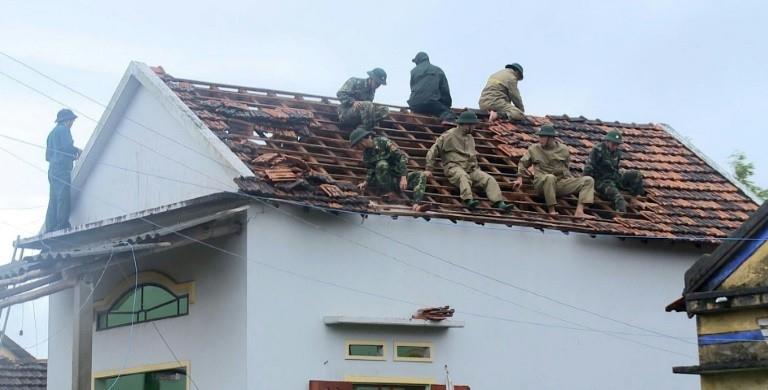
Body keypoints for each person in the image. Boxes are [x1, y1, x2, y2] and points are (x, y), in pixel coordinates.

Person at [426, 111, 513, 212]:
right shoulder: (448, 136)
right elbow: (433, 150)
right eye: (473, 125)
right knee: (463, 177)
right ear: (466, 125)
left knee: (489, 179)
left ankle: (498, 202)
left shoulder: (470, 138)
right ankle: (468, 200)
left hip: (470, 169)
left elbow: (472, 156)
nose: (474, 127)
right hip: (454, 168)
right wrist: (429, 169)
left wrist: (476, 169)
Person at [513, 125, 595, 218]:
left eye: (543, 137)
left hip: (559, 183)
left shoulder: (563, 150)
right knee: (550, 177)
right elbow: (523, 163)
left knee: (588, 180)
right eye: (540, 136)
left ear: (551, 138)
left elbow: (566, 168)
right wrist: (519, 178)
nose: (540, 139)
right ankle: (552, 211)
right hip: (542, 183)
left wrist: (569, 181)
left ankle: (579, 212)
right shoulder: (534, 149)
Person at [349, 128, 431, 212]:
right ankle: (391, 192)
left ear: (368, 137)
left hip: (398, 177)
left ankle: (416, 205)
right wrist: (365, 182)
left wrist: (403, 177)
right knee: (382, 164)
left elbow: (401, 157)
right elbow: (371, 170)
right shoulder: (366, 154)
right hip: (385, 182)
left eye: (360, 143)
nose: (359, 147)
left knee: (421, 175)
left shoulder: (384, 142)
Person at [583, 130, 647, 213]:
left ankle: (634, 200)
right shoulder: (597, 150)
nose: (615, 146)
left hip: (614, 177)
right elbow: (589, 167)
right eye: (613, 144)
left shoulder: (617, 153)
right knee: (619, 198)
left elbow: (616, 168)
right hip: (601, 181)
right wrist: (588, 186)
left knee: (636, 174)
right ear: (607, 141)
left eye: (617, 144)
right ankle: (621, 214)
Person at [45, 109, 82, 232]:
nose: (72, 123)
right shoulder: (64, 130)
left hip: (52, 170)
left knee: (53, 198)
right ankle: (62, 225)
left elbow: (47, 156)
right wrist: (77, 152)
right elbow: (67, 147)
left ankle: (50, 227)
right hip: (62, 169)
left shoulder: (51, 134)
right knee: (63, 197)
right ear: (67, 120)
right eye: (72, 121)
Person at [407, 51, 456, 124]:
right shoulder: (438, 70)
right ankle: (448, 121)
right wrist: (446, 106)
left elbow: (413, 87)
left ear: (418, 61)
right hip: (430, 103)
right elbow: (444, 91)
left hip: (414, 104)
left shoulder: (413, 71)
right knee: (448, 114)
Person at [337, 68, 390, 133]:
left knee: (384, 110)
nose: (377, 86)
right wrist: (353, 102)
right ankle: (366, 130)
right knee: (368, 104)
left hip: (360, 117)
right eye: (376, 82)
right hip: (346, 113)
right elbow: (340, 93)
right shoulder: (354, 81)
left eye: (379, 84)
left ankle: (362, 128)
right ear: (371, 78)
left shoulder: (372, 91)